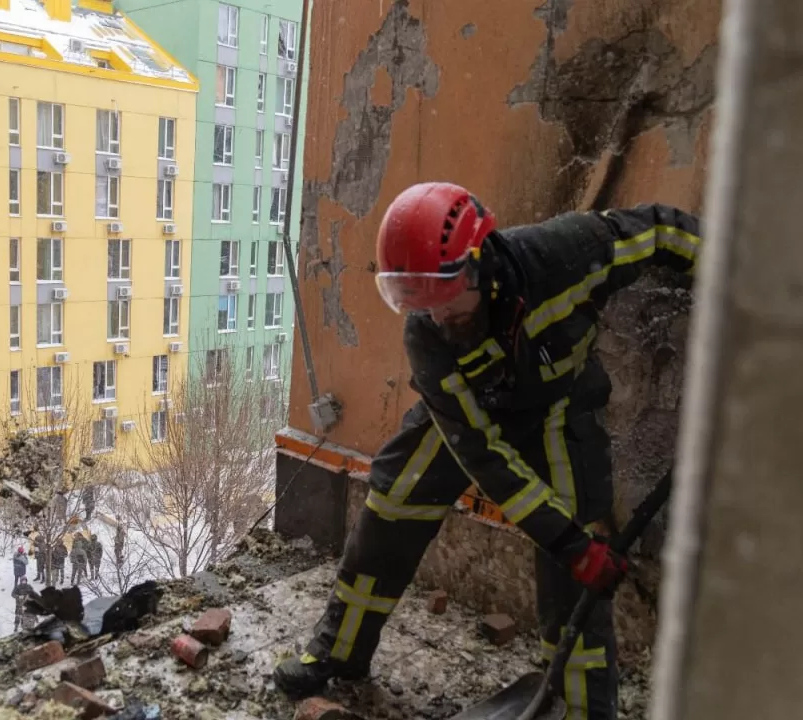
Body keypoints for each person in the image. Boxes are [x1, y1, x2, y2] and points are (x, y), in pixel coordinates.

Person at [271, 182, 702, 720]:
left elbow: (659, 230)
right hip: (468, 419)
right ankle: (340, 650)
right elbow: (483, 454)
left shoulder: (569, 252)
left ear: (478, 266)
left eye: (443, 298)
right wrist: (564, 539)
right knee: (393, 504)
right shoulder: (428, 336)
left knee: (577, 565)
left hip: (560, 410)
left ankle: (584, 705)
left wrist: (728, 272)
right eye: (416, 302)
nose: (436, 317)